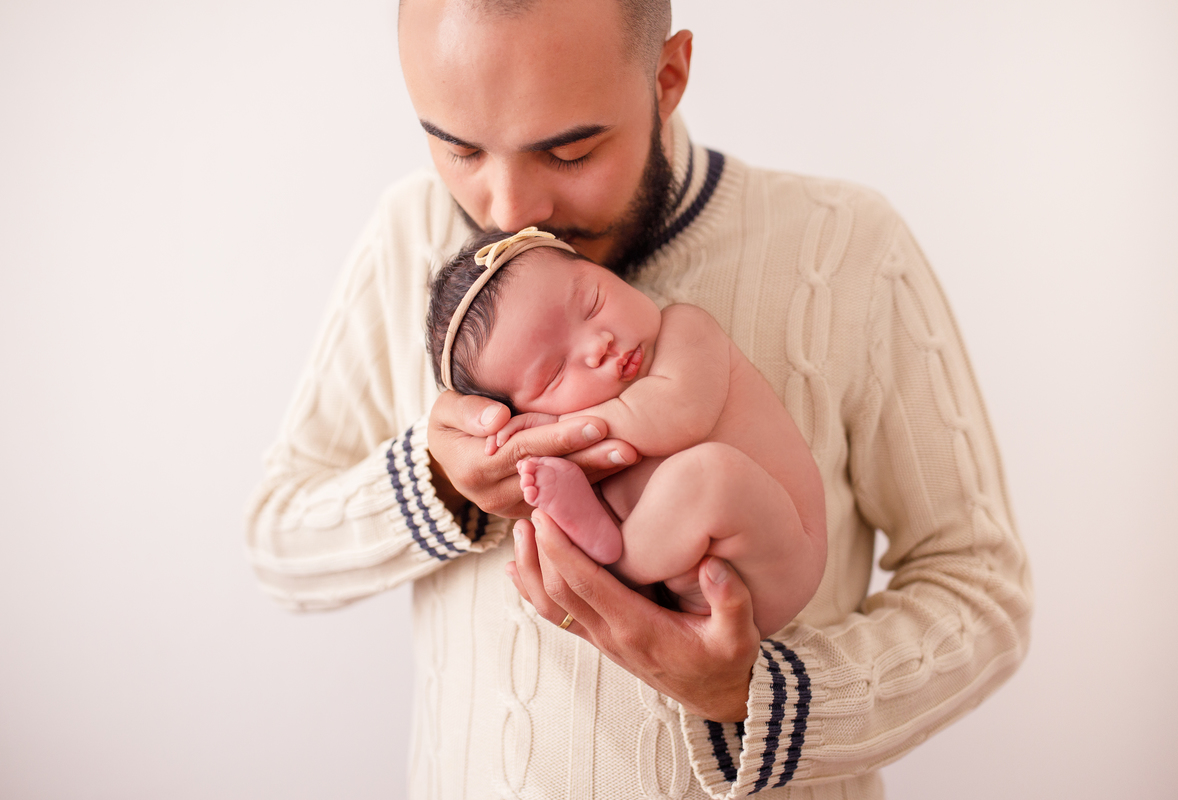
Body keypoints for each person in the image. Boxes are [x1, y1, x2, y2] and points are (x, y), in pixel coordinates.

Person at [244, 0, 1034, 797]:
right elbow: (276, 543)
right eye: (458, 149)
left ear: (668, 76)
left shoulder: (846, 245)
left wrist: (763, 701)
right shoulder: (410, 242)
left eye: (570, 151)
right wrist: (437, 484)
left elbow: (981, 589)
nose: (509, 212)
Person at [427, 227, 828, 637]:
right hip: (686, 595)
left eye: (592, 303)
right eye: (554, 373)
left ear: (606, 271)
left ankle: (614, 567)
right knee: (586, 495)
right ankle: (600, 535)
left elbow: (677, 417)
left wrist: (559, 430)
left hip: (782, 555)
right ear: (519, 412)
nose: (597, 344)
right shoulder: (587, 440)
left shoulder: (686, 331)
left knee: (709, 473)